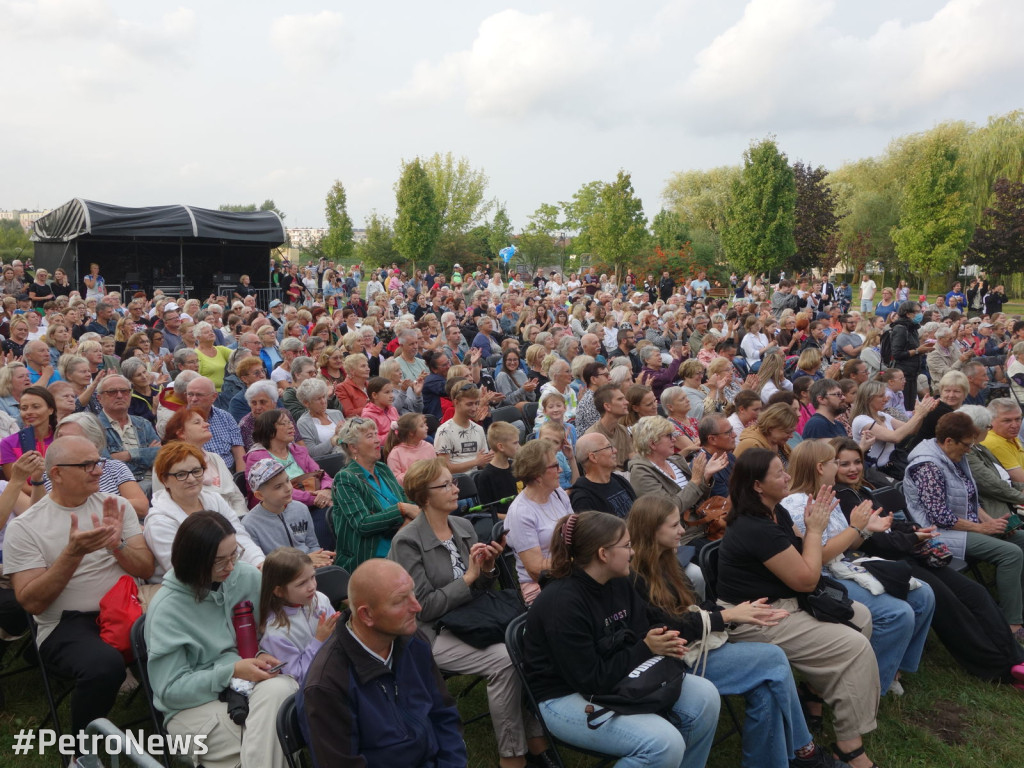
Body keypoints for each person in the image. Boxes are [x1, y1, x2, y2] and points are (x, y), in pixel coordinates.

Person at [627, 495, 845, 768]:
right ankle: (805, 750)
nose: (683, 530)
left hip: (697, 646)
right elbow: (669, 627)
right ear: (650, 531)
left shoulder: (666, 560)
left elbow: (694, 606)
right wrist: (726, 616)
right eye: (674, 526)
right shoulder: (633, 576)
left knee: (765, 689)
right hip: (673, 662)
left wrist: (737, 611)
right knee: (773, 660)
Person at [716, 448, 881, 768]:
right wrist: (818, 530)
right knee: (855, 646)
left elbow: (804, 562)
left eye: (785, 469)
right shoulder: (756, 528)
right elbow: (806, 579)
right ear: (757, 486)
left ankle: (813, 693)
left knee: (860, 616)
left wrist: (812, 529)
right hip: (755, 617)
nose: (787, 477)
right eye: (779, 473)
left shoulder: (775, 512)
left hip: (783, 603)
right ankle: (849, 747)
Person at [524, 510, 720, 767]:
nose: (633, 552)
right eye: (627, 546)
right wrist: (646, 647)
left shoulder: (620, 580)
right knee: (663, 743)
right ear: (603, 554)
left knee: (705, 696)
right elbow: (591, 679)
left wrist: (659, 637)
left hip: (616, 673)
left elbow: (644, 626)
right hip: (564, 695)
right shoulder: (562, 604)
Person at [389, 458, 550, 768]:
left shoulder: (461, 526)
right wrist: (469, 578)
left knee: (530, 642)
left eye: (453, 481)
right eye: (446, 484)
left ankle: (536, 739)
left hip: (473, 620)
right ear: (424, 495)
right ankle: (512, 755)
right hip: (432, 633)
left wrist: (488, 568)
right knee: (505, 660)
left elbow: (481, 591)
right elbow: (423, 607)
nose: (456, 488)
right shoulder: (407, 542)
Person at [832, 434, 1024, 686]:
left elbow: (891, 524)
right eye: (844, 464)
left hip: (907, 553)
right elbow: (876, 544)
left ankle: (1015, 656)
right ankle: (996, 668)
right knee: (950, 606)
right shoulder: (843, 497)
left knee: (975, 593)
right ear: (829, 465)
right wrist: (913, 538)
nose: (853, 468)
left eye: (856, 462)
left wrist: (912, 531)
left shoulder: (861, 489)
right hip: (885, 563)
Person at [5, 436, 154, 735]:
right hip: (65, 623)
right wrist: (72, 554)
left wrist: (117, 546)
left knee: (184, 637)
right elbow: (31, 602)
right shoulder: (25, 527)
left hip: (126, 609)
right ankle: (79, 751)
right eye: (86, 465)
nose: (98, 470)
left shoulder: (116, 505)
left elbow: (146, 567)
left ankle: (169, 729)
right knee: (104, 666)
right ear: (56, 474)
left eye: (98, 462)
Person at [781, 439, 935, 696]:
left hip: (845, 565)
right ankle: (868, 688)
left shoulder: (826, 494)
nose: (839, 468)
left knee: (924, 595)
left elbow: (847, 544)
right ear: (821, 467)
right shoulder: (797, 504)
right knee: (898, 613)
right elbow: (815, 559)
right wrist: (856, 528)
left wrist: (864, 529)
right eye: (835, 462)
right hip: (824, 580)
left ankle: (893, 668)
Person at [146, 511, 296, 768]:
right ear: (193, 561)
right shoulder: (166, 610)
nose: (231, 566)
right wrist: (230, 671)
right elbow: (170, 692)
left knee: (284, 688)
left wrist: (259, 655)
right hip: (192, 707)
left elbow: (267, 632)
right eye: (219, 561)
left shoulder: (247, 576)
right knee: (277, 736)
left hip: (249, 688)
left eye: (234, 554)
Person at [299, 558, 467, 766]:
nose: (416, 606)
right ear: (366, 615)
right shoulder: (328, 683)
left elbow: (444, 715)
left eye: (412, 592)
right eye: (399, 601)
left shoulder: (414, 642)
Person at [904, 411, 1024, 642]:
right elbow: (939, 517)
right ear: (949, 441)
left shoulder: (953, 456)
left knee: (1021, 538)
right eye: (967, 445)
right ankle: (1012, 625)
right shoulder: (928, 466)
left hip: (962, 526)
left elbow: (969, 498)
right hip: (938, 534)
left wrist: (991, 522)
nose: (970, 450)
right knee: (1010, 553)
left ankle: (1016, 606)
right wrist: (982, 529)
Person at [146, 442, 263, 582]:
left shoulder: (214, 499)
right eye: (181, 474)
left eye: (196, 471)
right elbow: (181, 571)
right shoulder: (158, 522)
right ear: (164, 480)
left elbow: (239, 537)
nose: (191, 479)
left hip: (229, 574)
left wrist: (259, 563)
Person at [331, 417, 420, 571]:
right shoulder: (345, 478)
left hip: (402, 544)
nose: (378, 440)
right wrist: (400, 509)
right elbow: (363, 524)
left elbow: (408, 502)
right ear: (353, 448)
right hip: (370, 557)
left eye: (376, 434)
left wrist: (403, 526)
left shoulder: (382, 469)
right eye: (370, 436)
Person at [245, 409, 334, 543]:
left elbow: (321, 474)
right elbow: (278, 490)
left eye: (290, 422)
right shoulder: (257, 457)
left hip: (316, 501)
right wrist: (316, 498)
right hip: (280, 508)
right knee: (328, 515)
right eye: (284, 423)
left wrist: (327, 490)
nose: (291, 426)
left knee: (339, 510)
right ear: (269, 430)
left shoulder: (297, 450)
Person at [258, 546, 339, 687]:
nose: (311, 586)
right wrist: (319, 641)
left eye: (313, 577)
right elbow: (300, 677)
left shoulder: (320, 599)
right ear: (279, 591)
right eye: (301, 583)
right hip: (314, 689)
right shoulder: (277, 632)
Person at [504, 439, 573, 604]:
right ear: (538, 475)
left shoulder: (558, 493)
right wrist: (576, 562)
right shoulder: (520, 512)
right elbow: (536, 570)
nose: (561, 470)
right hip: (541, 587)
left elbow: (576, 531)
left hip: (570, 574)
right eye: (555, 466)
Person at [95, 374, 162, 494]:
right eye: (112, 392)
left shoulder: (143, 424)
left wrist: (126, 455)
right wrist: (146, 453)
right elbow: (107, 466)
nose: (120, 396)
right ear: (99, 398)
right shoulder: (93, 427)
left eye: (125, 391)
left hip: (152, 483)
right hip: (118, 488)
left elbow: (159, 455)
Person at [569, 431, 636, 518]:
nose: (615, 450)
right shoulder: (583, 499)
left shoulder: (619, 480)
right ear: (593, 457)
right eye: (609, 447)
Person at [185, 375, 245, 472]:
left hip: (230, 472)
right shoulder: (180, 422)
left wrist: (240, 479)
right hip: (201, 474)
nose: (193, 399)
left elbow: (238, 451)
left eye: (199, 395)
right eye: (190, 394)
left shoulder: (225, 417)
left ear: (214, 397)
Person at [889, 300, 932, 408]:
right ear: (908, 314)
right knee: (905, 406)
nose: (920, 314)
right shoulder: (900, 328)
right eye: (917, 312)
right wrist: (917, 351)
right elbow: (897, 353)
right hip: (903, 374)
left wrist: (924, 350)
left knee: (911, 405)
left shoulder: (913, 328)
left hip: (913, 373)